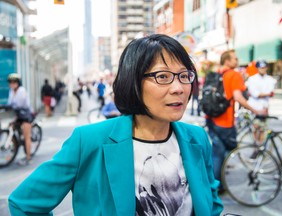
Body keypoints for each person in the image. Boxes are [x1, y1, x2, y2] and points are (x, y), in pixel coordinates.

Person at [8, 34, 223, 215]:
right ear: (133, 82)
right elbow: (24, 203)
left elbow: (211, 204)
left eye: (184, 75)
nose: (179, 88)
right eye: (163, 76)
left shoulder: (197, 138)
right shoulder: (89, 141)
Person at [205, 50, 266, 194]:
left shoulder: (216, 73)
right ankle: (218, 185)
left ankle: (215, 184)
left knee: (217, 152)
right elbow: (238, 97)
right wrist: (256, 111)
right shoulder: (234, 74)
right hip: (225, 121)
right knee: (225, 151)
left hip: (211, 118)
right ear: (227, 60)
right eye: (235, 58)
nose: (237, 60)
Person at [246, 60, 276, 145]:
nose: (262, 69)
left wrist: (263, 94)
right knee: (255, 128)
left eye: (264, 67)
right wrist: (265, 94)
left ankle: (261, 146)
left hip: (264, 107)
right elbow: (255, 93)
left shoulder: (270, 79)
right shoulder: (252, 79)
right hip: (255, 107)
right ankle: (256, 146)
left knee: (263, 128)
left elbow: (271, 92)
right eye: (260, 67)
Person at [7, 73, 33, 165]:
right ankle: (14, 148)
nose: (12, 84)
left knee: (27, 137)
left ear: (18, 82)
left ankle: (28, 157)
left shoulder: (21, 90)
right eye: (10, 82)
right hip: (17, 115)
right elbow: (10, 103)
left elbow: (19, 104)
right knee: (10, 128)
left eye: (14, 82)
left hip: (25, 115)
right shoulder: (11, 91)